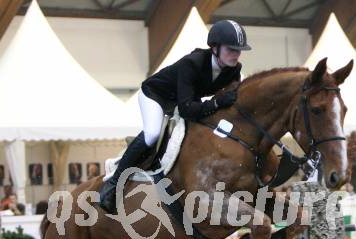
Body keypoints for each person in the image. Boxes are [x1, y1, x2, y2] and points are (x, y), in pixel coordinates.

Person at [99, 20, 252, 214]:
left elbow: (227, 103)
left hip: (184, 101)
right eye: (231, 49)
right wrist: (215, 103)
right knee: (152, 134)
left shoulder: (234, 70)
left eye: (239, 50)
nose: (236, 54)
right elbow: (188, 108)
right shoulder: (193, 63)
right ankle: (113, 183)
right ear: (214, 47)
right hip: (155, 96)